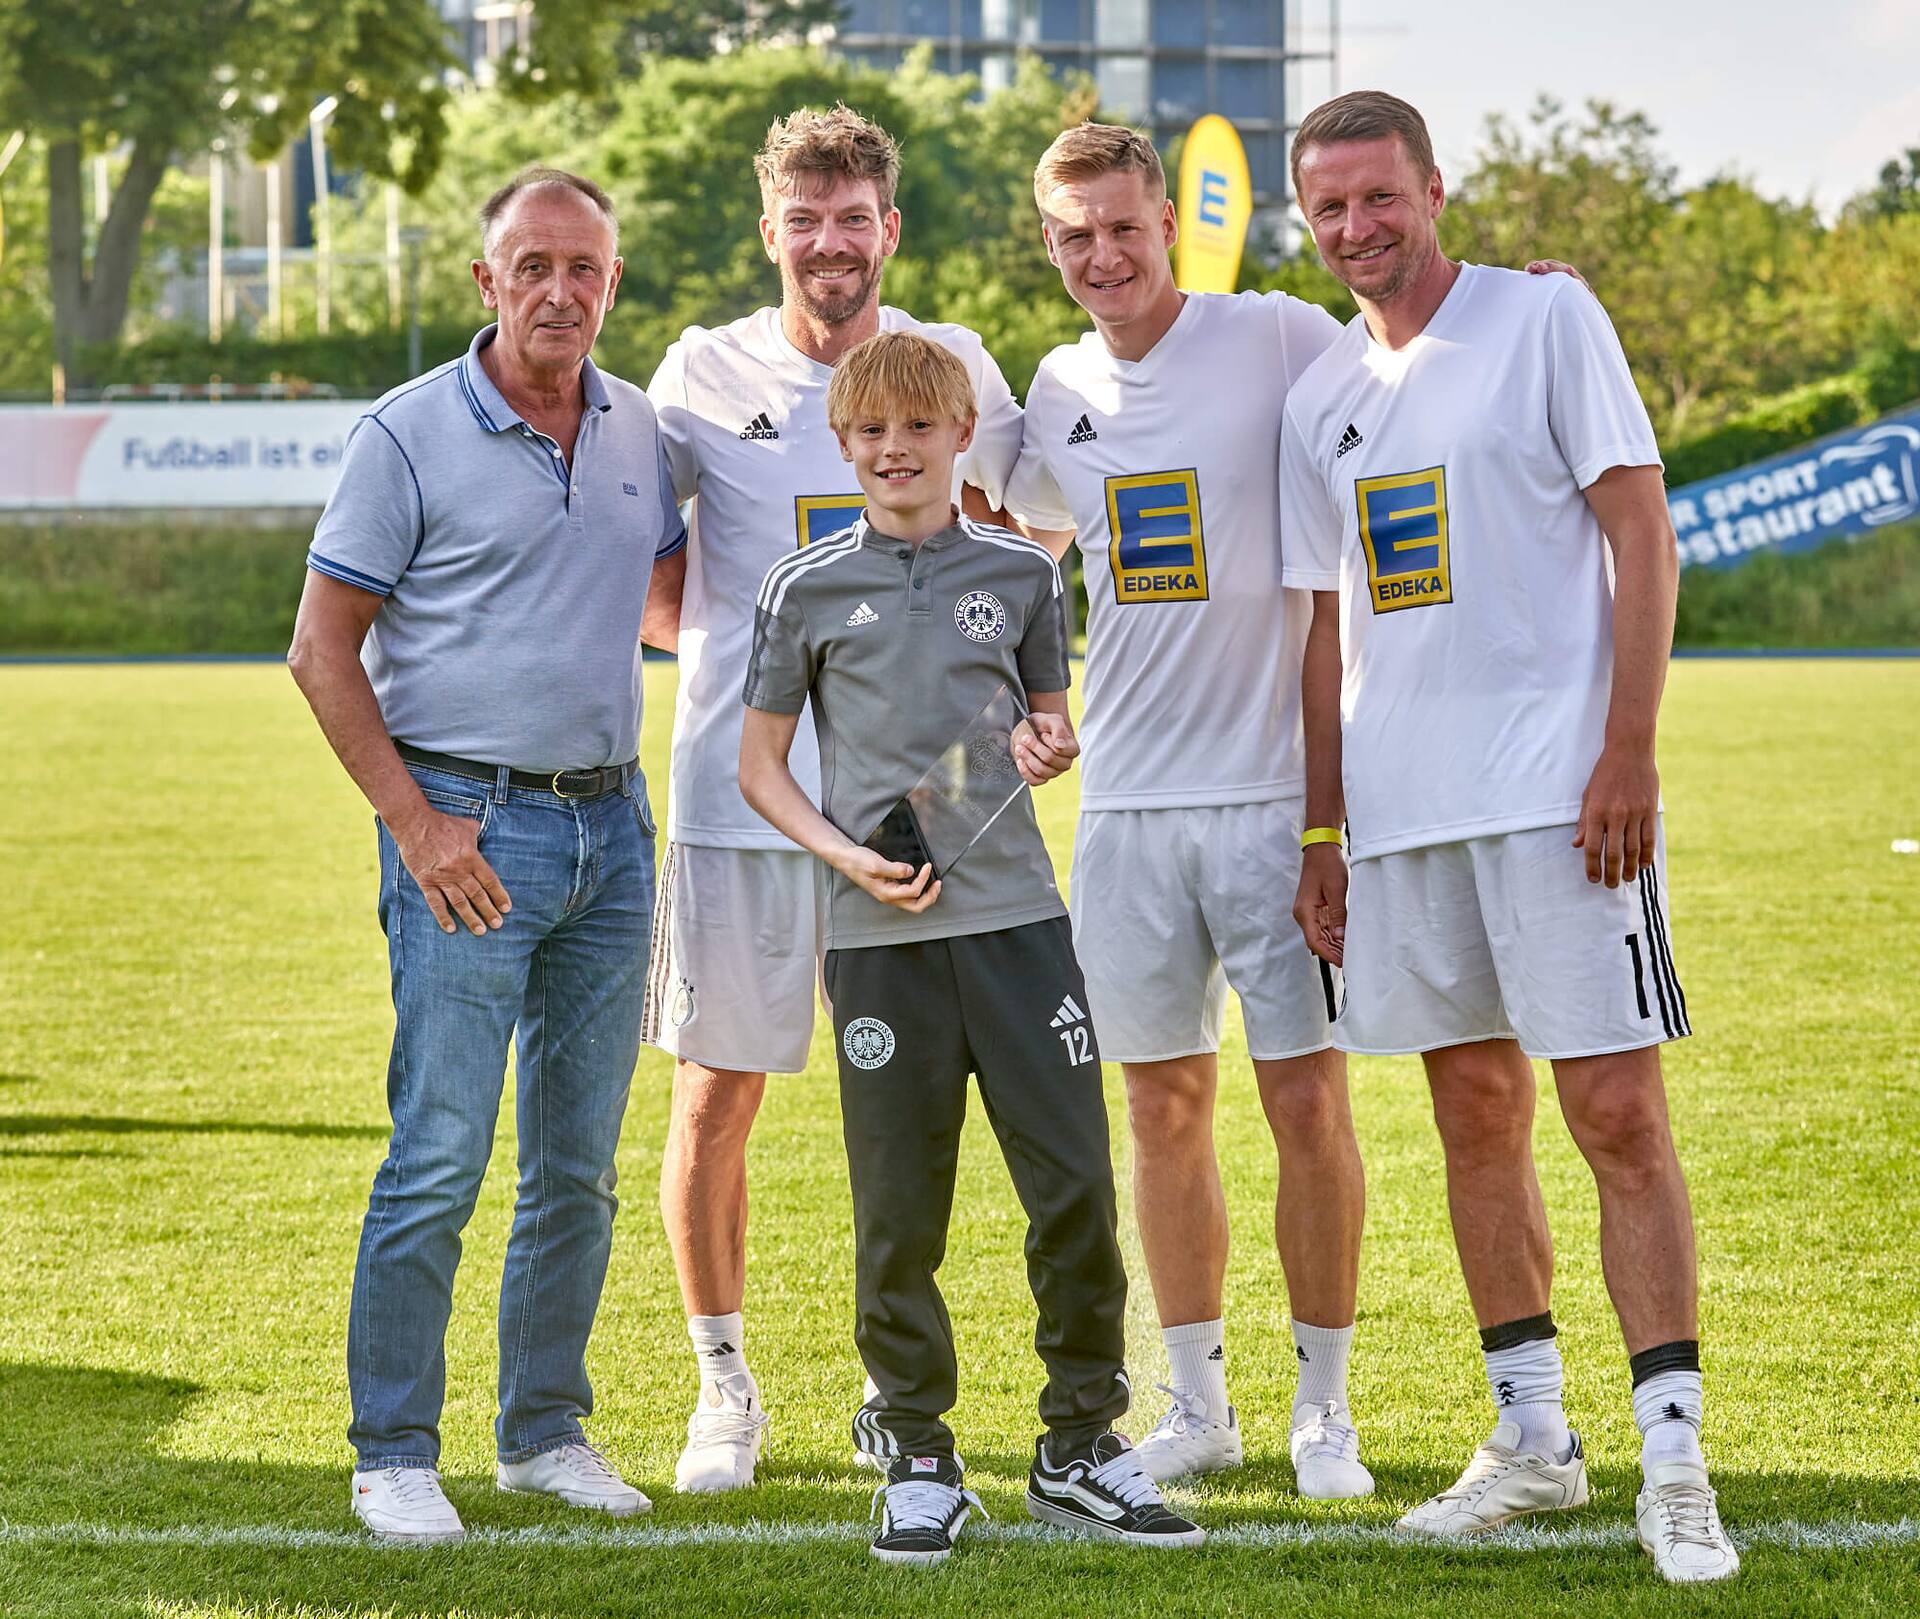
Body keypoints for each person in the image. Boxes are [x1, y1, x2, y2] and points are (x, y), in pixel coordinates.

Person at [1279, 90, 1739, 1584]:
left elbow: (1641, 528)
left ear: (1434, 186)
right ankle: (1534, 1439)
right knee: (1474, 1117)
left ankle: (1675, 1459)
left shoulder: (1546, 319)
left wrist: (1629, 746)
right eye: (1331, 206)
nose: (1358, 226)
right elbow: (1328, 624)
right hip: (1404, 817)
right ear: (1306, 219)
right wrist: (1326, 825)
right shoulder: (1320, 394)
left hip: (1559, 796)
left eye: (1380, 195)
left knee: (1616, 1113)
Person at [738, 331, 1204, 1565]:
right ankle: (916, 1449)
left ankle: (1079, 1443)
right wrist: (845, 858)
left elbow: (1046, 726)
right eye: (871, 431)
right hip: (879, 938)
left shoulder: (1024, 572)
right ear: (843, 443)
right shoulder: (802, 588)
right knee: (899, 1207)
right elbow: (759, 768)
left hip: (1018, 930)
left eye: (918, 428)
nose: (895, 450)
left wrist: (1050, 746)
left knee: (1075, 1187)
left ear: (959, 436)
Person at [287, 167, 684, 1545]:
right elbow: (319, 649)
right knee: (440, 1153)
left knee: (578, 1165)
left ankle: (543, 1431)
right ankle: (395, 1449)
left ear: (612, 284)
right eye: (533, 266)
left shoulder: (639, 428)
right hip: (465, 828)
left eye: (584, 269)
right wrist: (417, 824)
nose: (559, 292)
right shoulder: (405, 434)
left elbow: (672, 598)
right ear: (487, 280)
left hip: (612, 831)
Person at [640, 105, 1022, 1493]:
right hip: (740, 802)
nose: (829, 243)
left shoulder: (950, 361)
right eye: (804, 220)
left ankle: (891, 1386)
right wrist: (760, 664)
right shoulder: (702, 369)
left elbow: (1040, 516)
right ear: (771, 232)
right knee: (716, 1097)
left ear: (889, 229)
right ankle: (722, 1386)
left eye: (853, 218)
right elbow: (650, 573)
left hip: (910, 812)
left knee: (908, 1103)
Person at [998, 120, 1372, 1496]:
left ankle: (1323, 1408)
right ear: (1050, 246)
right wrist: (1028, 701)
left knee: (1306, 1100)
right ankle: (1198, 1403)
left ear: (1167, 222)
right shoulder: (1055, 387)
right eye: (1074, 234)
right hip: (1128, 809)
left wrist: (1531, 302)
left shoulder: (1274, 332)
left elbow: (1413, 365)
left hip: (1275, 799)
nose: (1103, 253)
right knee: (1159, 1105)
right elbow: (1025, 555)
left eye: (1122, 225)